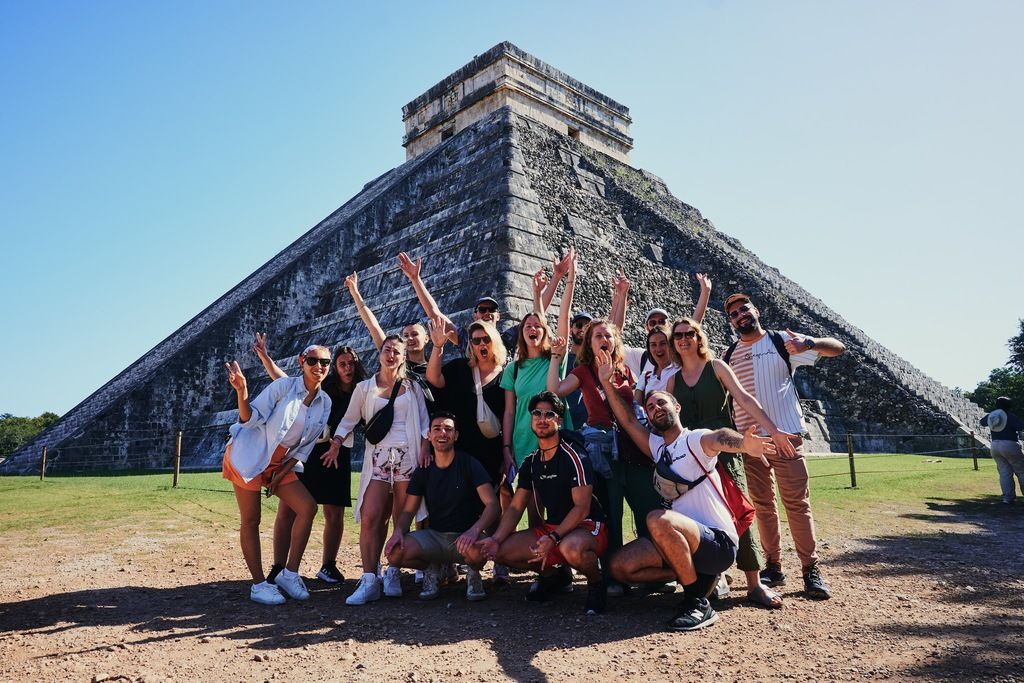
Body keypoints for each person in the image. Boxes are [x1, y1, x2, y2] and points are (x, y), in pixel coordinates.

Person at [595, 350, 776, 631]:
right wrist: (606, 383)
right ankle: (699, 578)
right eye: (651, 407)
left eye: (662, 403)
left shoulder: (693, 439)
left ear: (676, 408)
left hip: (717, 543)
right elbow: (629, 422)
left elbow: (719, 438)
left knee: (657, 518)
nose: (656, 408)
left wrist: (744, 444)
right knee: (619, 567)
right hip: (684, 541)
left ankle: (697, 602)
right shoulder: (658, 448)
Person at [665, 317, 798, 608]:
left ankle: (754, 583)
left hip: (725, 449)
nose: (684, 339)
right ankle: (712, 577)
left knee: (740, 512)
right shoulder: (672, 381)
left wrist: (772, 431)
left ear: (699, 337)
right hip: (693, 456)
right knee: (697, 516)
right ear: (673, 343)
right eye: (678, 336)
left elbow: (745, 399)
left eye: (689, 333)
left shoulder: (716, 367)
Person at [722, 293, 846, 599]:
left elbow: (838, 347)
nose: (740, 316)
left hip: (787, 437)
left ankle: (810, 569)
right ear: (730, 322)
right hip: (753, 444)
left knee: (797, 505)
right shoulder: (729, 355)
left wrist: (810, 344)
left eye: (744, 309)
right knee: (763, 506)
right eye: (734, 314)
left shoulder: (782, 341)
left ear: (756, 310)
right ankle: (773, 565)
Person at [547, 315, 662, 597]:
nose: (604, 340)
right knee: (610, 510)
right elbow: (556, 390)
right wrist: (554, 358)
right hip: (602, 446)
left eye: (608, 336)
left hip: (631, 445)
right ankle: (612, 575)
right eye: (598, 336)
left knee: (645, 505)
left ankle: (653, 567)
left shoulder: (625, 371)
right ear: (589, 342)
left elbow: (636, 407)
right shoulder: (584, 370)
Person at [477, 391, 609, 615]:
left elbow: (582, 508)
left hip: (587, 527)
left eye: (549, 414)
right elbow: (516, 507)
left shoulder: (574, 455)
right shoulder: (531, 461)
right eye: (537, 413)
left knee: (570, 547)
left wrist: (553, 538)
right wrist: (495, 539)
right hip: (553, 529)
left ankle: (597, 584)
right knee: (501, 551)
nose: (542, 418)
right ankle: (555, 578)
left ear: (558, 420)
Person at [252, 334, 367, 585]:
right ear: (335, 367)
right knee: (288, 511)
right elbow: (284, 382)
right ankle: (278, 567)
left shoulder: (362, 392)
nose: (347, 368)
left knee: (334, 513)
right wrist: (265, 358)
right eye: (342, 364)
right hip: (308, 451)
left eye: (351, 363)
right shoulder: (323, 386)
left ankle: (328, 565)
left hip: (338, 456)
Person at [221, 345, 332, 605]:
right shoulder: (283, 387)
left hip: (280, 463)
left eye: (325, 362)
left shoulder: (325, 402)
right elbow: (249, 419)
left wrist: (279, 474)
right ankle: (259, 584)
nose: (319, 367)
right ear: (301, 362)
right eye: (313, 361)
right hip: (250, 454)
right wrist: (242, 392)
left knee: (307, 508)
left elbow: (304, 448)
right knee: (251, 520)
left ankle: (289, 574)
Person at [330, 334, 431, 605]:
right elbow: (348, 420)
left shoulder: (413, 387)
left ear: (403, 356)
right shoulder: (364, 388)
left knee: (401, 518)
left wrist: (424, 449)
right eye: (387, 350)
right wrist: (337, 443)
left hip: (407, 458)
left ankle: (394, 571)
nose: (391, 356)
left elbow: (424, 423)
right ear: (380, 353)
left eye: (397, 352)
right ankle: (369, 579)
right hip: (378, 458)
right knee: (371, 514)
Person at [384, 412, 500, 601]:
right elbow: (408, 510)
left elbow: (492, 505)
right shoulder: (423, 469)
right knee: (395, 554)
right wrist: (398, 532)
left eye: (448, 429)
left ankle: (473, 573)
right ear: (429, 435)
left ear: (456, 435)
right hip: (435, 536)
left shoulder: (469, 463)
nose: (442, 433)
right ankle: (432, 568)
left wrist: (474, 531)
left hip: (465, 536)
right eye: (437, 429)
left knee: (480, 551)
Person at [397, 251, 569, 358]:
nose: (487, 313)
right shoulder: (466, 339)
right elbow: (435, 314)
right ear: (475, 315)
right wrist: (415, 279)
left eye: (491, 309)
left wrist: (557, 277)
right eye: (482, 309)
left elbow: (537, 315)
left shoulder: (506, 339)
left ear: (498, 316)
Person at [500, 248, 577, 469]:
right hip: (523, 440)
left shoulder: (555, 357)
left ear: (544, 333)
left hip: (556, 438)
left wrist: (569, 277)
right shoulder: (513, 369)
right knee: (531, 502)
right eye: (527, 326)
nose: (532, 329)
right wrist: (507, 448)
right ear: (522, 333)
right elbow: (509, 411)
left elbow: (563, 314)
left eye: (537, 327)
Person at [612, 270, 711, 379]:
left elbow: (693, 325)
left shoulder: (679, 353)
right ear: (647, 327)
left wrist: (705, 292)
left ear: (669, 325)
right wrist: (622, 296)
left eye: (661, 321)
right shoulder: (641, 357)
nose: (657, 325)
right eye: (653, 322)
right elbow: (615, 335)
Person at [981, 397, 1024, 504]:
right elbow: (1020, 426)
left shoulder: (992, 415)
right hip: (1010, 443)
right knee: (1021, 471)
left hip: (995, 444)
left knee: (1004, 472)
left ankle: (1007, 498)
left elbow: (982, 422)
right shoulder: (1009, 416)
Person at [634, 325, 678, 407]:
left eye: (663, 343)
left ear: (671, 345)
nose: (658, 349)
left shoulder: (680, 370)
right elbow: (637, 408)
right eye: (653, 345)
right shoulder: (645, 376)